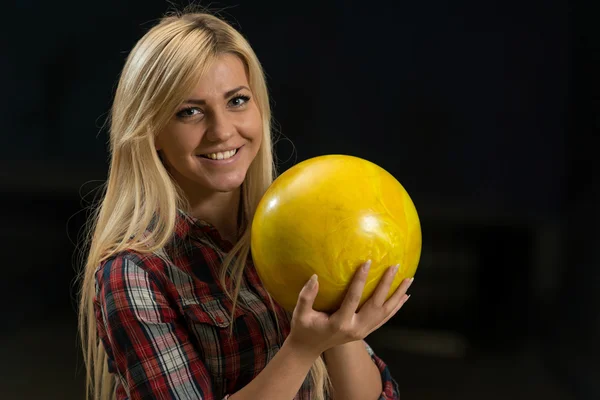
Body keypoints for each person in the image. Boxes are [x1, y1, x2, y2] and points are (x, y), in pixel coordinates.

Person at [78, 10, 413, 400]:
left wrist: (340, 331)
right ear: (151, 129)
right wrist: (302, 348)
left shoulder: (294, 228)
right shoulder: (134, 273)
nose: (222, 131)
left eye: (237, 100)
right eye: (190, 111)